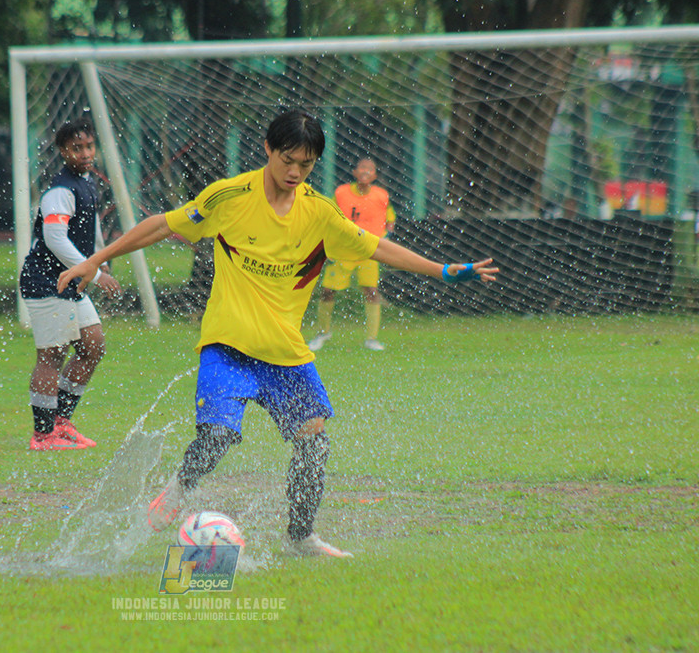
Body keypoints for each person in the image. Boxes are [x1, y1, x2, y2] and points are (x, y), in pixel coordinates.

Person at [59, 109, 497, 558]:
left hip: (285, 353)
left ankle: (300, 537)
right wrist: (97, 258)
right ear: (268, 149)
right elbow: (163, 224)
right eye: (287, 159)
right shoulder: (229, 197)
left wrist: (441, 270)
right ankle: (177, 490)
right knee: (218, 437)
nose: (294, 172)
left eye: (306, 165)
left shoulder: (319, 213)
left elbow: (377, 247)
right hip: (228, 344)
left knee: (314, 439)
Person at [20, 117, 121, 451]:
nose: (85, 153)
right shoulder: (60, 191)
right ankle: (43, 434)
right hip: (45, 281)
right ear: (63, 150)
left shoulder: (86, 183)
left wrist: (101, 259)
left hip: (71, 283)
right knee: (51, 355)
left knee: (93, 347)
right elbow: (53, 238)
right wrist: (93, 272)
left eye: (89, 146)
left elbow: (89, 227)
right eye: (76, 148)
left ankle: (61, 422)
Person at [309, 157, 395, 351]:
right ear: (355, 172)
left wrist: (386, 236)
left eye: (370, 169)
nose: (365, 171)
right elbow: (329, 216)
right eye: (362, 167)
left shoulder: (382, 195)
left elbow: (390, 219)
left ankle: (372, 338)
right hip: (344, 249)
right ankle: (323, 333)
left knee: (371, 291)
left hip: (369, 251)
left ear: (375, 175)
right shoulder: (341, 193)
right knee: (328, 290)